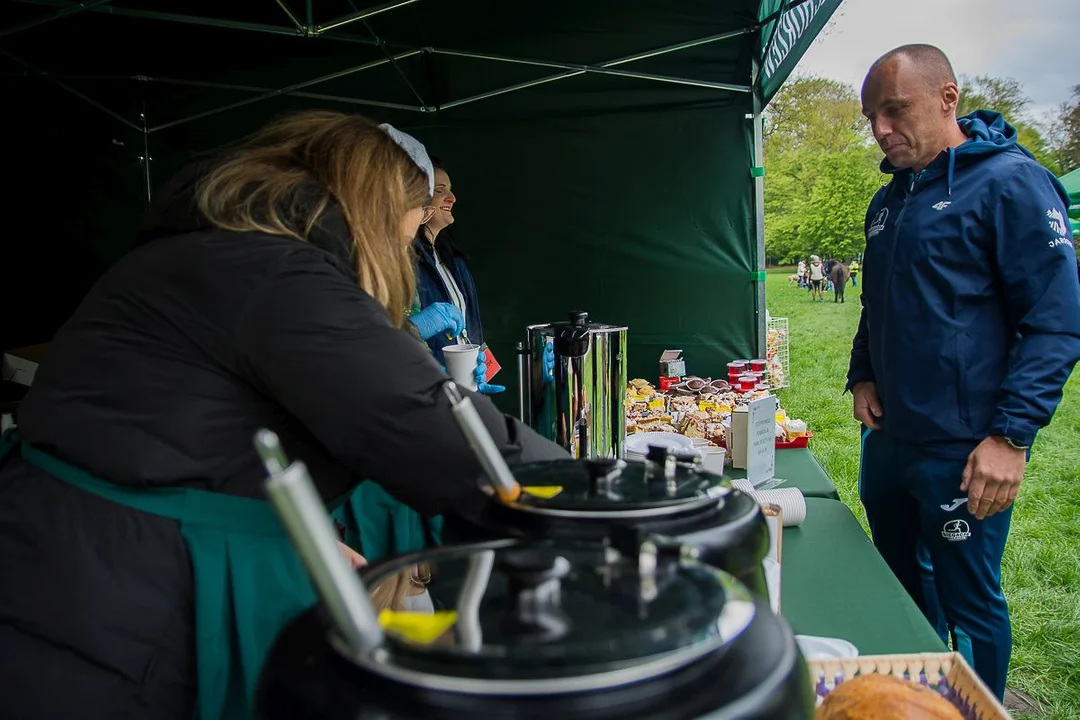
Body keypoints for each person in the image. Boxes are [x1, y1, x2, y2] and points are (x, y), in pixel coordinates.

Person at [0, 110, 567, 720]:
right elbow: (433, 428)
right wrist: (604, 494)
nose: (404, 252)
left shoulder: (211, 250)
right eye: (403, 234)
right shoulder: (274, 271)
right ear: (375, 208)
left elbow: (195, 433)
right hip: (119, 599)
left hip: (66, 561)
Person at [848, 44, 1080, 701]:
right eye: (871, 117)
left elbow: (1056, 321)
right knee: (900, 588)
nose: (881, 130)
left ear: (948, 98)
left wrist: (1011, 438)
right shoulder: (887, 201)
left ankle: (978, 709)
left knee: (969, 603)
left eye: (895, 111)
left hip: (966, 448)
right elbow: (877, 304)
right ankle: (917, 704)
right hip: (890, 442)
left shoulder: (1011, 182)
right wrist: (863, 373)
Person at [412, 158, 503, 394]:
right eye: (440, 190)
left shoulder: (453, 261)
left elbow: (469, 329)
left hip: (463, 388)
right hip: (428, 387)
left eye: (450, 190)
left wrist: (481, 367)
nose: (452, 198)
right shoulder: (405, 261)